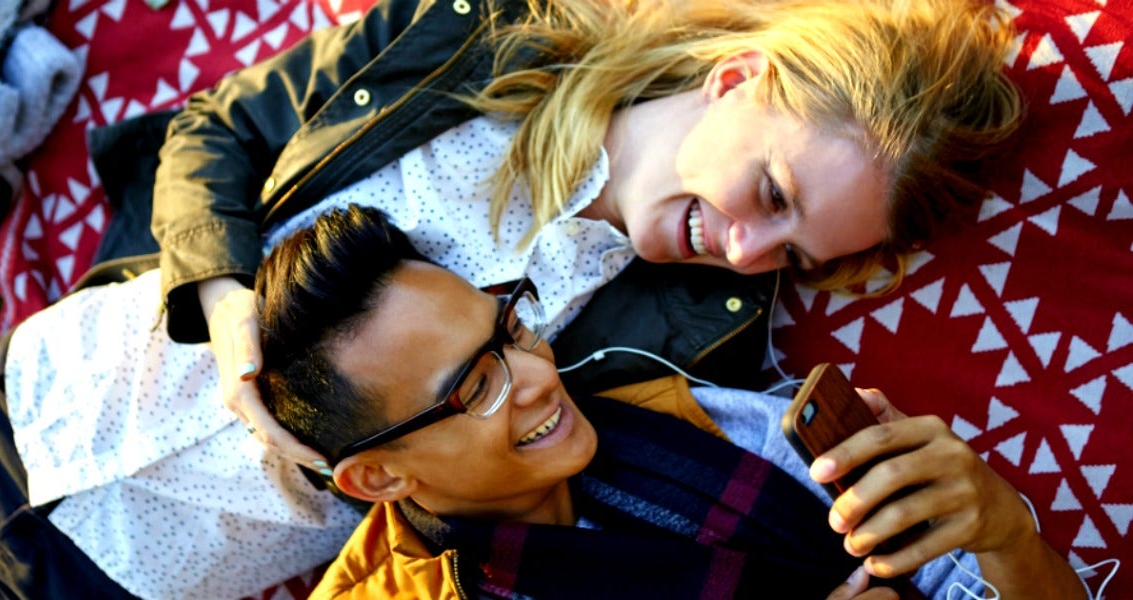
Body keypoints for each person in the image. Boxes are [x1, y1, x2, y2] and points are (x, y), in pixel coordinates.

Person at [102, 0, 1025, 470]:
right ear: (742, 78)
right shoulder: (480, 34)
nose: (747, 254)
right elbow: (217, 129)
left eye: (792, 254)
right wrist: (225, 303)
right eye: (773, 195)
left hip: (159, 569)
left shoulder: (699, 342)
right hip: (57, 385)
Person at [253, 205, 1085, 599]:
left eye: (510, 331)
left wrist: (1005, 533)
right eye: (476, 387)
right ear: (377, 480)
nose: (540, 377)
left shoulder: (695, 426)